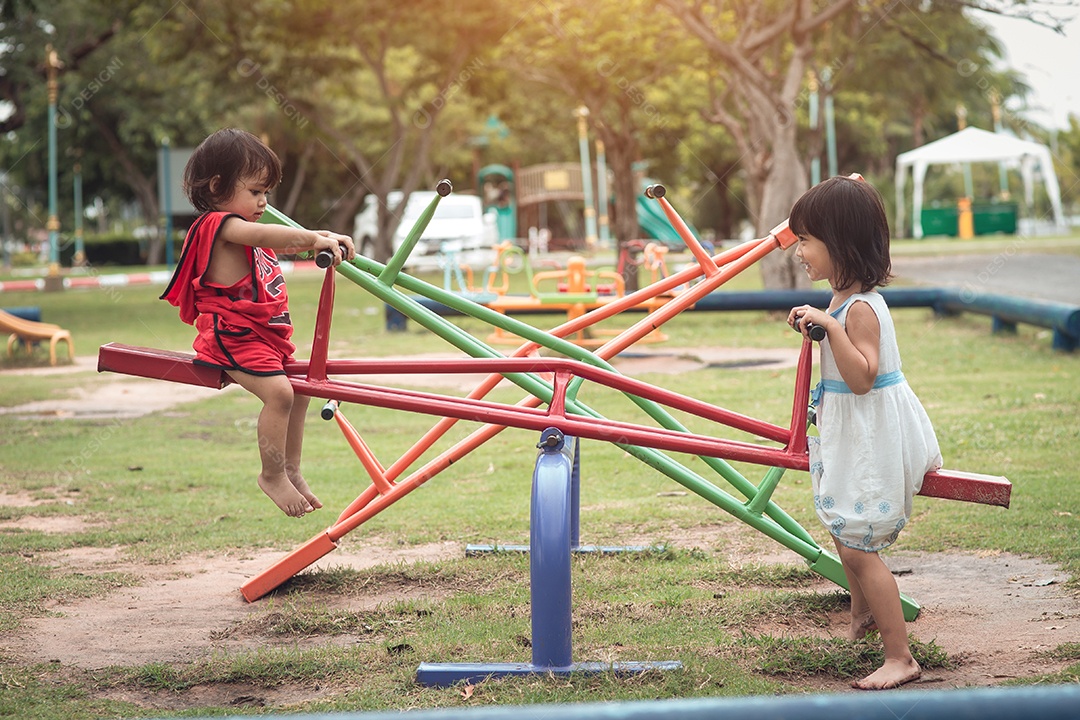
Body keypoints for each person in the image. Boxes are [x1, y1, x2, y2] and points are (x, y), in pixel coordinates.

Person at [786, 175, 941, 690]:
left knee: (857, 544)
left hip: (871, 437)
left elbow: (861, 377)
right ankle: (862, 614)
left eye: (807, 240)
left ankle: (901, 656)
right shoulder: (840, 299)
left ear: (842, 243)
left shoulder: (857, 309)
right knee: (841, 522)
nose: (800, 251)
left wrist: (829, 328)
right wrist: (816, 322)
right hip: (853, 432)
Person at [161, 128, 355, 518]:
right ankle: (271, 474)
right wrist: (314, 239)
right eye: (255, 192)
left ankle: (291, 469)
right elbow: (269, 235)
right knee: (280, 395)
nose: (264, 202)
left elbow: (279, 238)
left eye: (267, 193)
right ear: (218, 187)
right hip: (230, 337)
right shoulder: (219, 226)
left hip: (261, 340)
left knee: (300, 390)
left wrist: (321, 236)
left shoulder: (246, 229)